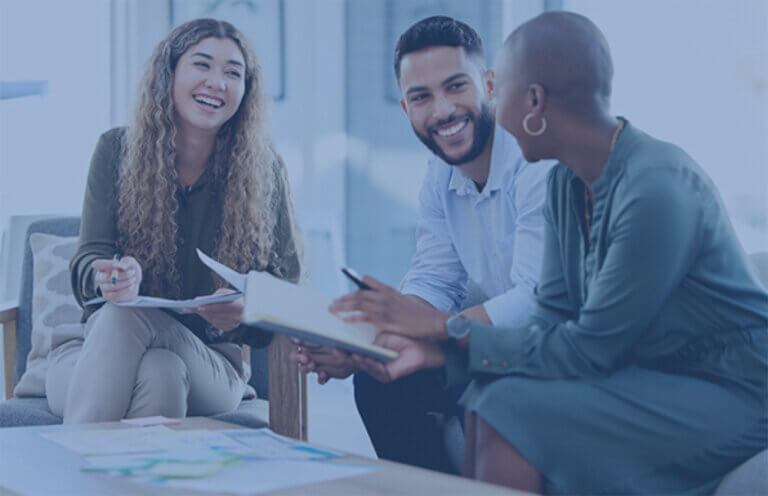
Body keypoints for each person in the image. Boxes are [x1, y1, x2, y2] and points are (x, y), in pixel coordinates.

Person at [340, 11, 768, 495]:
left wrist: (442, 334)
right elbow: (553, 316)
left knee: (512, 410)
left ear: (534, 100)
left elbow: (591, 348)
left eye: (502, 92)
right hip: (643, 367)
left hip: (729, 386)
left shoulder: (655, 188)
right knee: (494, 399)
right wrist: (415, 347)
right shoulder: (568, 181)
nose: (492, 110)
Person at [291, 16, 551, 473]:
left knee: (476, 380)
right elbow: (434, 277)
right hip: (487, 338)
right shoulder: (440, 174)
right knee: (378, 381)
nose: (443, 111)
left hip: (545, 347)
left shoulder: (534, 160)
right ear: (406, 109)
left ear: (489, 83)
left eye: (456, 86)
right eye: (421, 97)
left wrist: (425, 329)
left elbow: (534, 301)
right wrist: (365, 344)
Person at [45, 18, 302, 424]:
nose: (217, 82)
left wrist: (246, 309)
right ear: (170, 73)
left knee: (129, 322)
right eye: (202, 65)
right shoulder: (116, 151)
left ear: (246, 91)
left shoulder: (264, 171)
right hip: (91, 351)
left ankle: (69, 477)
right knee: (159, 372)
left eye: (233, 73)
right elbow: (89, 257)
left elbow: (289, 290)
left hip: (212, 363)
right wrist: (110, 278)